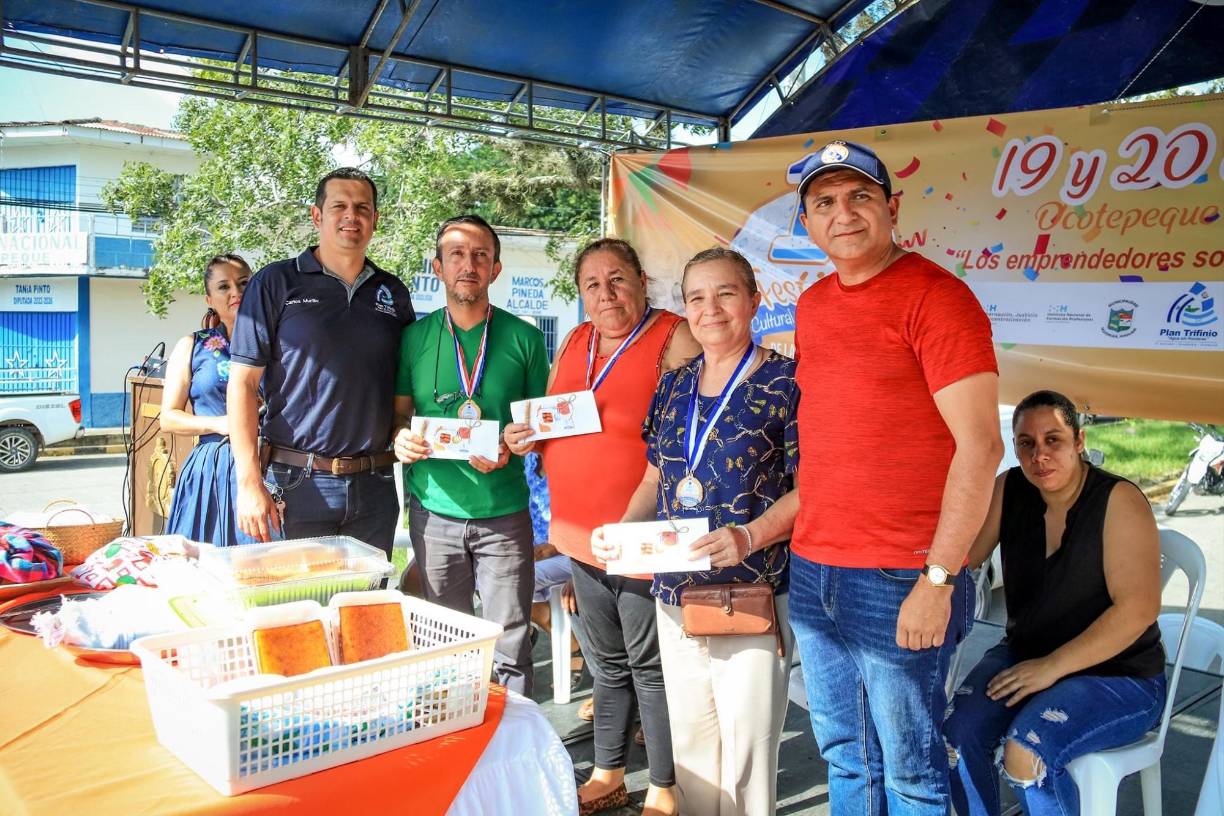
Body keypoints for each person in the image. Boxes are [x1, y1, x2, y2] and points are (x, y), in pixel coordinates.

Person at [789, 140, 1004, 813]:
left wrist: (939, 580)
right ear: (807, 221)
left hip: (902, 577)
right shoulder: (814, 304)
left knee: (911, 771)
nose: (842, 213)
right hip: (815, 567)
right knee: (845, 758)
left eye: (860, 197)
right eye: (824, 202)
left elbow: (981, 446)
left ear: (891, 207)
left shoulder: (938, 298)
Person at [595, 247, 799, 816]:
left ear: (755, 301)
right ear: (683, 309)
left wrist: (750, 536)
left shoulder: (787, 382)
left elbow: (814, 491)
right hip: (673, 593)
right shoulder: (675, 384)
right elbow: (656, 476)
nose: (710, 309)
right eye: (696, 298)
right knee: (691, 751)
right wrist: (623, 529)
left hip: (749, 593)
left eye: (726, 293)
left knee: (747, 759)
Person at [504, 237, 699, 816]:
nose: (605, 293)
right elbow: (554, 417)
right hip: (578, 537)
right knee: (609, 665)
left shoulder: (674, 336)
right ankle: (608, 772)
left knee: (650, 667)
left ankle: (664, 785)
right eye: (592, 283)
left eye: (617, 279)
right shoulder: (574, 340)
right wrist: (526, 435)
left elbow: (695, 431)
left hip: (640, 539)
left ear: (642, 279)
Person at [945, 390, 1166, 816]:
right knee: (957, 734)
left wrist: (1052, 667)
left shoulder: (1118, 501)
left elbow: (1138, 610)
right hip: (1027, 655)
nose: (1039, 455)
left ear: (1080, 441)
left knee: (1027, 753)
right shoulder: (1011, 489)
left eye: (1054, 440)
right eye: (1026, 443)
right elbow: (962, 557)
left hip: (1120, 675)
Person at [393, 214, 549, 697]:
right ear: (438, 267)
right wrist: (399, 441)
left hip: (504, 515)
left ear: (495, 269)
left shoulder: (524, 338)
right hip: (434, 512)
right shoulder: (414, 339)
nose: (468, 265)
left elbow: (540, 429)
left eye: (480, 255)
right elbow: (398, 417)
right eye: (456, 255)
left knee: (510, 645)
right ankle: (454, 748)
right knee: (444, 643)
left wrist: (514, 444)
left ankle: (513, 755)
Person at [229, 168, 415, 556]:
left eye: (363, 207)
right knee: (299, 610)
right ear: (317, 216)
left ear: (375, 220)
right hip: (297, 483)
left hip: (375, 487)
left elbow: (404, 387)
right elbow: (243, 385)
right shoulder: (275, 282)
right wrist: (248, 481)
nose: (352, 216)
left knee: (363, 611)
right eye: (340, 206)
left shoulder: (393, 292)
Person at [163, 254, 253, 546]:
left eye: (243, 283)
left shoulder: (280, 343)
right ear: (209, 299)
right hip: (211, 468)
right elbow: (169, 417)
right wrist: (221, 423)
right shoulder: (192, 346)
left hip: (267, 462)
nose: (235, 293)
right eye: (224, 287)